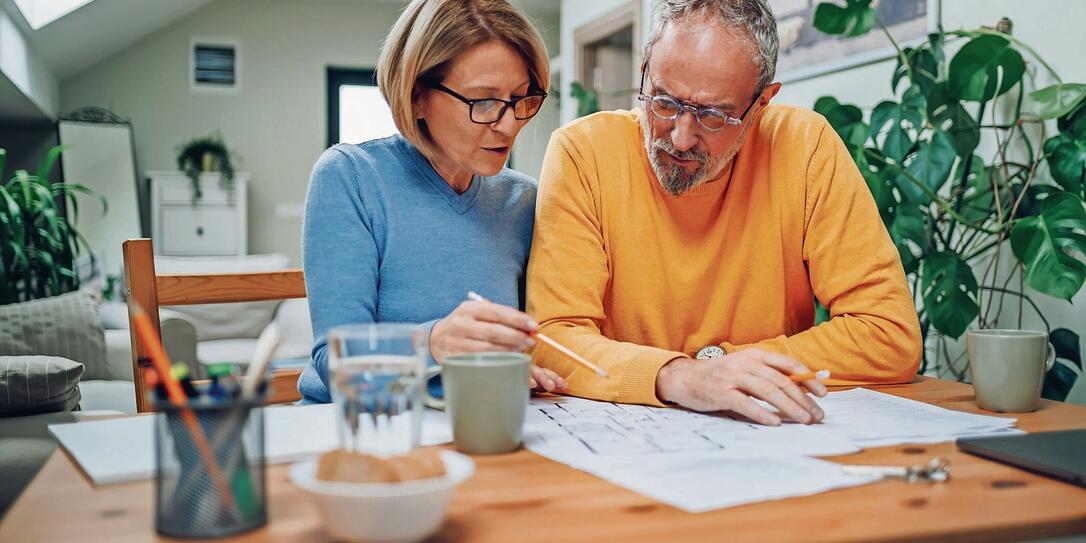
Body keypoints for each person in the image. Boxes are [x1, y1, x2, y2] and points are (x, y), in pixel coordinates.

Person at [527, 0, 922, 425]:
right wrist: (678, 376)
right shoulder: (583, 153)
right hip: (619, 432)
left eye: (713, 116)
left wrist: (722, 366)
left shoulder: (804, 147)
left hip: (764, 433)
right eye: (663, 101)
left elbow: (888, 334)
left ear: (762, 103)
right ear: (644, 70)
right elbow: (553, 340)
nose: (679, 138)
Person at [299, 0, 566, 403]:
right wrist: (435, 342)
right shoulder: (350, 177)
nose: (510, 124)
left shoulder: (523, 199)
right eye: (484, 101)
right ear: (417, 96)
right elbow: (334, 363)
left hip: (475, 419)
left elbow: (526, 341)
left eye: (521, 98)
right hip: (362, 426)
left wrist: (524, 365)